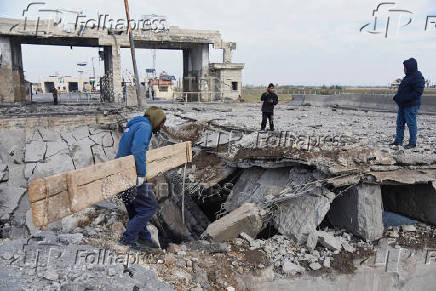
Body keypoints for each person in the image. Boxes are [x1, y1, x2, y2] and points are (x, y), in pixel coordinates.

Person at [116, 106, 166, 249]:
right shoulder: (145, 127)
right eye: (161, 123)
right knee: (150, 207)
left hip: (120, 171)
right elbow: (138, 150)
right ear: (155, 119)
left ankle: (144, 238)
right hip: (130, 173)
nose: (161, 127)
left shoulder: (135, 125)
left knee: (133, 207)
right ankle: (128, 239)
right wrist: (141, 175)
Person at [392, 58, 425, 149]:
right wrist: (397, 97)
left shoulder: (418, 77)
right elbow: (404, 91)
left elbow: (418, 92)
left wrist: (404, 99)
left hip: (411, 105)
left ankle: (412, 143)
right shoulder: (408, 77)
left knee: (411, 124)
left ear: (410, 67)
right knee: (399, 123)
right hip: (403, 105)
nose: (404, 69)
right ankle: (398, 141)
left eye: (405, 67)